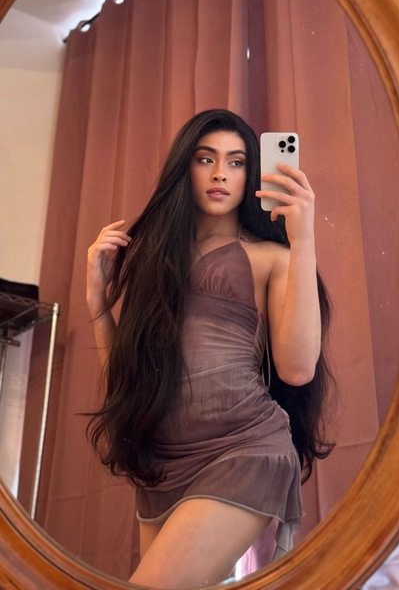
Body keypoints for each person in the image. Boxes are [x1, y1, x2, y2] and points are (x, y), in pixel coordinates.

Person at [86, 109, 333, 589]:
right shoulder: (154, 262)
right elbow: (127, 380)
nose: (221, 173)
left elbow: (298, 369)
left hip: (242, 450)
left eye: (237, 162)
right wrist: (97, 302)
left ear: (250, 175)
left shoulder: (271, 258)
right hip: (162, 461)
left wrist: (303, 238)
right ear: (186, 168)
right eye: (206, 159)